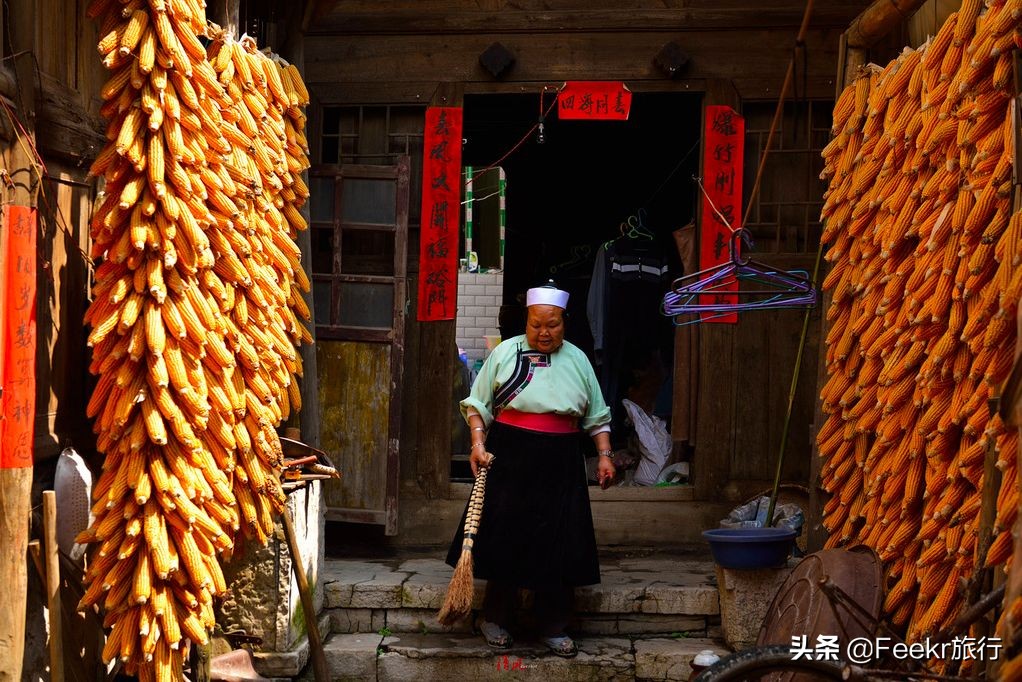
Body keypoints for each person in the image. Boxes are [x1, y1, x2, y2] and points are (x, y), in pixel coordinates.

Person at [445, 281, 614, 658]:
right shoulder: (507, 352)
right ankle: (495, 618)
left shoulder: (578, 360)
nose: (544, 332)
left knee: (559, 539)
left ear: (563, 322)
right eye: (536, 324)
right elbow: (478, 403)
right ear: (527, 320)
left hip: (562, 458)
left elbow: (597, 415)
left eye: (552, 324)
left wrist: (604, 454)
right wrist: (477, 444)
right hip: (510, 452)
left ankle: (553, 626)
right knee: (505, 534)